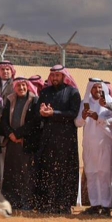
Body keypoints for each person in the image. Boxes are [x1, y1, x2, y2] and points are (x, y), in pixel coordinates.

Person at [33, 65, 81, 214]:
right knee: (47, 168)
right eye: (52, 76)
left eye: (57, 76)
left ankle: (63, 204)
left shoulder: (73, 92)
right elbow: (37, 111)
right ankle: (46, 203)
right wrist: (41, 112)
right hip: (48, 137)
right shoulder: (45, 92)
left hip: (66, 139)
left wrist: (54, 113)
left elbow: (73, 113)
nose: (54, 78)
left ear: (63, 76)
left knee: (64, 171)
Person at [76, 78, 112, 216]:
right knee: (91, 173)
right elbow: (77, 123)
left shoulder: (110, 103)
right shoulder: (84, 103)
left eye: (100, 88)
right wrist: (83, 117)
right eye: (94, 88)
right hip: (89, 145)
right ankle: (95, 204)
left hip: (106, 144)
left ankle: (106, 206)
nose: (98, 90)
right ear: (90, 89)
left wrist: (97, 118)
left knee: (104, 174)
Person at [0, 77, 40, 211]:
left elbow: (34, 122)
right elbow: (3, 120)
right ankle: (11, 202)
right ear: (14, 87)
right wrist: (10, 134)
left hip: (26, 142)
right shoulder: (10, 99)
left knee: (26, 173)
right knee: (11, 173)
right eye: (18, 86)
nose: (21, 88)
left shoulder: (34, 100)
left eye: (23, 85)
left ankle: (26, 202)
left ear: (27, 86)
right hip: (11, 142)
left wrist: (18, 135)